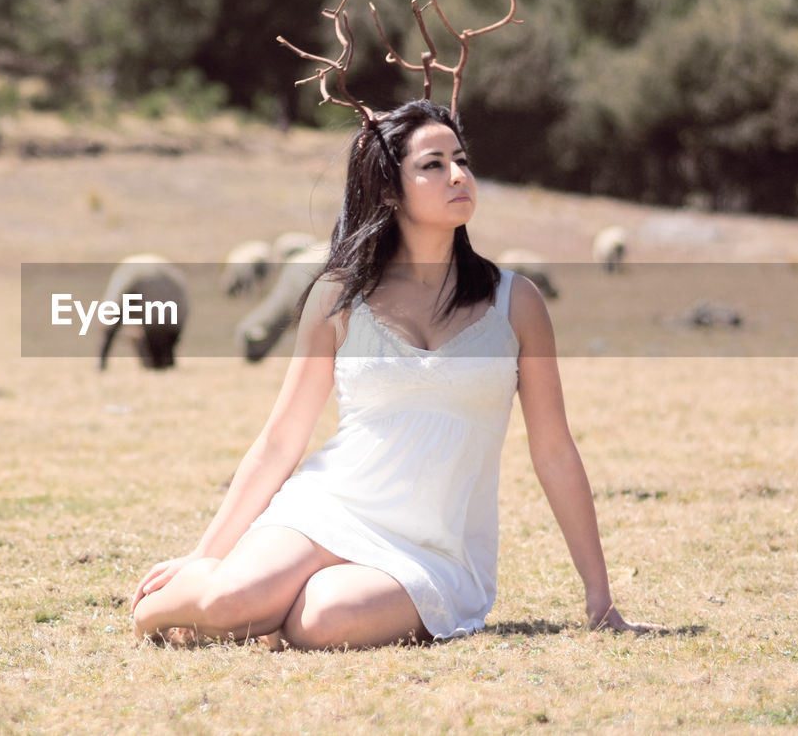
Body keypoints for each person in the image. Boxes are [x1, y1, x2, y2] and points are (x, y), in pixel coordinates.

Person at [131, 100, 655, 649]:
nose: (458, 175)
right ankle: (166, 610)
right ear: (387, 189)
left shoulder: (515, 302)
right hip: (325, 509)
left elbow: (554, 452)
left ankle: (266, 609)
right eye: (432, 164)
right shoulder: (338, 296)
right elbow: (281, 440)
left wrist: (600, 597)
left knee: (323, 623)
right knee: (228, 599)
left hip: (433, 552)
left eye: (462, 159)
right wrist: (205, 554)